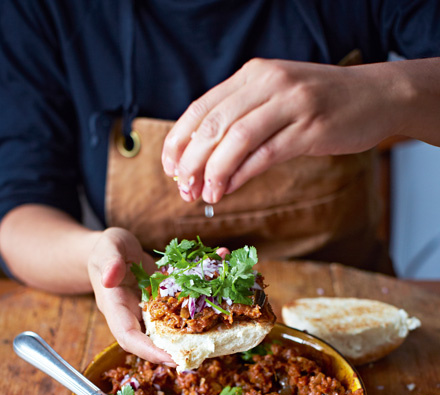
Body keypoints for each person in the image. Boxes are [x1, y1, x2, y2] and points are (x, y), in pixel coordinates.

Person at [1, 1, 439, 366]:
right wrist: (96, 256)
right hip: (141, 329)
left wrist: (392, 94)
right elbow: (19, 213)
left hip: (358, 320)